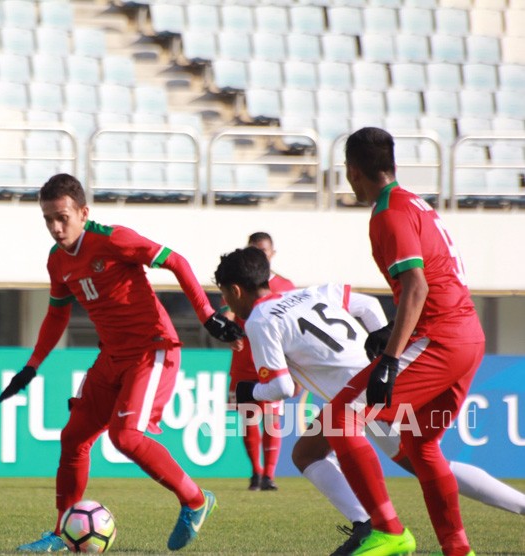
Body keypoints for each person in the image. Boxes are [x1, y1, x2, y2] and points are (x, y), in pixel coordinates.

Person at [215, 246, 525, 556]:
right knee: (307, 453)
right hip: (373, 381)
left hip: (361, 397)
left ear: (236, 290)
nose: (225, 302)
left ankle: (383, 528)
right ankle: (366, 524)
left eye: (224, 295)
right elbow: (367, 304)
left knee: (428, 465)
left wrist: (248, 392)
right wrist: (379, 347)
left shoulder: (259, 320)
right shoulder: (312, 293)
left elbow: (282, 387)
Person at [0, 174, 243, 552]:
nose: (55, 227)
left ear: (83, 212)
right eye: (48, 219)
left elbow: (175, 260)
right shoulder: (57, 260)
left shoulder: (113, 239)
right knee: (73, 438)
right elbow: (57, 316)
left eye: (62, 217)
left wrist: (207, 315)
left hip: (152, 348)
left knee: (125, 436)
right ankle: (63, 533)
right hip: (111, 356)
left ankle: (195, 500)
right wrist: (32, 366)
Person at [325, 127, 486, 556]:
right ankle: (458, 550)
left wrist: (392, 358)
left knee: (339, 418)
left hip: (439, 336)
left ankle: (389, 530)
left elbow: (416, 285)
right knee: (421, 444)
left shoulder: (388, 213)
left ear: (353, 171)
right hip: (467, 338)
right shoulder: (414, 203)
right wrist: (393, 332)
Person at [227, 232, 295, 491]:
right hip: (244, 359)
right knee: (248, 417)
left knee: (272, 418)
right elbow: (229, 310)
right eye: (253, 249)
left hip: (272, 359)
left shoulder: (285, 285)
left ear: (272, 254)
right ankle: (256, 472)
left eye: (263, 251)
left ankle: (269, 474)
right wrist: (226, 328)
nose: (258, 254)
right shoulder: (238, 284)